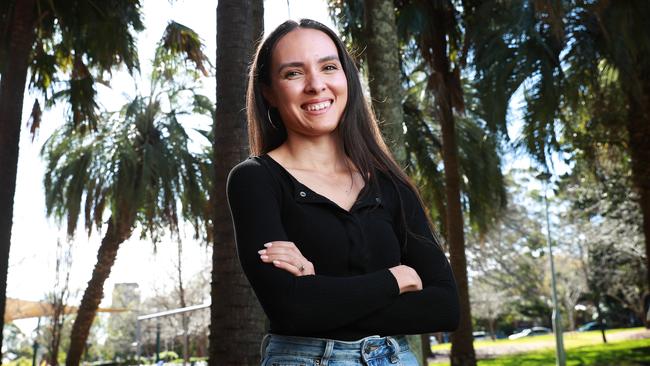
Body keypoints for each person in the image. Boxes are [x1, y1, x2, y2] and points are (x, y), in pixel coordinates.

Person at [227, 18, 459, 366]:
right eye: (293, 73)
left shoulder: (390, 185)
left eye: (329, 67)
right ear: (268, 92)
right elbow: (290, 310)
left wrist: (319, 294)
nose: (316, 85)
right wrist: (398, 278)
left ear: (347, 77)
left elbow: (444, 307)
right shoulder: (255, 180)